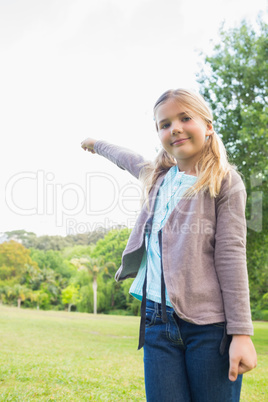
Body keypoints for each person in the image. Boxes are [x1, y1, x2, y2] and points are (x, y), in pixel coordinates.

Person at [81, 89, 257, 402]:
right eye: (164, 124)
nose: (174, 128)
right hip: (155, 320)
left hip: (209, 327)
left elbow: (231, 256)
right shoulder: (157, 177)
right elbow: (126, 158)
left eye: (184, 118)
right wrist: (96, 145)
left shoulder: (224, 181)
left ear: (208, 126)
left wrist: (241, 333)